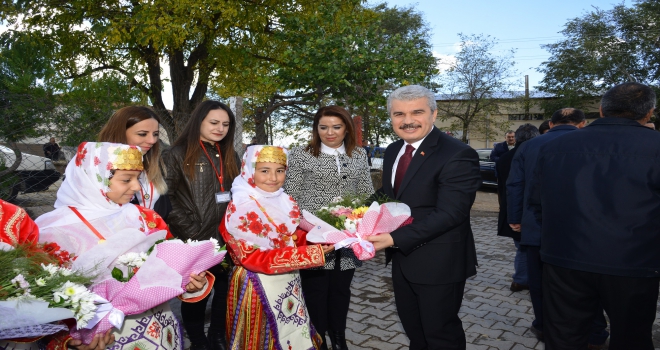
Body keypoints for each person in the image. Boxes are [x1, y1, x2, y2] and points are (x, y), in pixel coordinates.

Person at [36, 142, 209, 350]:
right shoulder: (52, 231)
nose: (136, 187)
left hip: (161, 332)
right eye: (127, 179)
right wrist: (68, 342)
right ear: (92, 179)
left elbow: (174, 266)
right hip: (102, 340)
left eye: (138, 178)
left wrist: (191, 284)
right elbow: (41, 302)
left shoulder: (146, 218)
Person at [528, 82, 660, 349]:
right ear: (649, 113)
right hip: (633, 264)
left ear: (601, 110)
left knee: (564, 337)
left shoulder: (553, 147)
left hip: (565, 259)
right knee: (632, 338)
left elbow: (536, 203)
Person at [366, 85, 481, 349]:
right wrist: (350, 215)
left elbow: (451, 213)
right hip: (403, 260)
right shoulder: (395, 150)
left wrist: (393, 238)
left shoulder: (457, 153)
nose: (407, 121)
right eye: (398, 114)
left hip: (439, 262)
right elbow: (391, 192)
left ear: (434, 114)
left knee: (440, 334)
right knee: (414, 330)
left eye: (417, 112)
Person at [505, 108, 610, 344]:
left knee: (540, 283)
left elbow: (515, 184)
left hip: (536, 227)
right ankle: (594, 332)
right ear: (582, 123)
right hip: (584, 230)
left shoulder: (529, 146)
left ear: (551, 124)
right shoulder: (595, 144)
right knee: (586, 285)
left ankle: (543, 325)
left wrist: (515, 217)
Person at [220, 145, 332, 350]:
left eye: (280, 170)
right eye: (264, 170)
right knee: (263, 338)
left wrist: (320, 239)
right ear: (249, 170)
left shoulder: (284, 199)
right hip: (257, 284)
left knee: (294, 330)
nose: (273, 177)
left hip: (289, 279)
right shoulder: (240, 207)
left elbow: (291, 236)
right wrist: (309, 254)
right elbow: (252, 258)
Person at [285, 106, 373, 350]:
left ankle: (339, 337)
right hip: (313, 237)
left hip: (348, 238)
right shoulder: (302, 154)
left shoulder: (358, 155)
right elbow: (290, 197)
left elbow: (366, 193)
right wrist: (308, 225)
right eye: (323, 127)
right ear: (316, 129)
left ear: (346, 128)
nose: (330, 132)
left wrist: (360, 222)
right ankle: (319, 339)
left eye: (336, 127)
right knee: (316, 291)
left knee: (340, 290)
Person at [163, 100, 240, 350]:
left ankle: (218, 336)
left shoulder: (230, 154)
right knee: (195, 293)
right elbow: (166, 199)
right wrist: (191, 231)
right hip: (194, 238)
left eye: (226, 124)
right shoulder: (175, 154)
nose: (220, 128)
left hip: (226, 237)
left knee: (225, 290)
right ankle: (198, 341)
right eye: (214, 122)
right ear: (199, 122)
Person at [98, 106, 170, 217]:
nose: (152, 141)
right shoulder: (96, 168)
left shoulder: (154, 164)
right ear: (120, 132)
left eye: (155, 134)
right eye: (142, 134)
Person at [495, 124, 539, 293]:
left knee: (521, 247)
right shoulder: (533, 156)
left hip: (509, 208)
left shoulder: (505, 158)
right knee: (526, 248)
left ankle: (521, 279)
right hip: (528, 211)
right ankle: (522, 279)